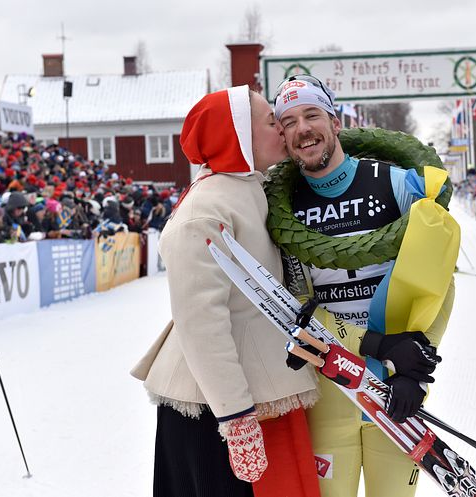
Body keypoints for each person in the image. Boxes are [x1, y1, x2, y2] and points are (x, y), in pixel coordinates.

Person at [130, 86, 321, 497]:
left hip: (255, 395)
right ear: (238, 135)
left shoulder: (249, 188)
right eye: (272, 122)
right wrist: (236, 417)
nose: (282, 131)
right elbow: (202, 323)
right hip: (216, 411)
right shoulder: (206, 209)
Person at [273, 76, 453, 497]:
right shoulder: (283, 209)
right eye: (289, 121)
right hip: (330, 389)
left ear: (334, 121)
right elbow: (293, 303)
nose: (303, 129)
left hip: (396, 385)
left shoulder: (394, 183)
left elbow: (440, 281)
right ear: (282, 137)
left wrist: (417, 372)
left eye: (312, 114)